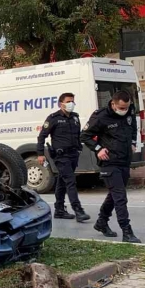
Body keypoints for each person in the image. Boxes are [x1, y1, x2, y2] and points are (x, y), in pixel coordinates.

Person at [80, 90, 141, 243]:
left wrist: (133, 142)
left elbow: (133, 128)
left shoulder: (129, 111)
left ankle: (101, 222)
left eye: (126, 107)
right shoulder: (101, 116)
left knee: (114, 195)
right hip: (109, 162)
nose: (124, 110)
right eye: (121, 107)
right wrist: (98, 149)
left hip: (124, 160)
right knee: (120, 197)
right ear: (113, 104)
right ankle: (127, 232)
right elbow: (84, 136)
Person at [36, 92, 90, 222]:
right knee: (70, 181)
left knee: (62, 182)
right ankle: (78, 210)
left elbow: (78, 135)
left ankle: (59, 209)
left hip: (73, 154)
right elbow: (42, 136)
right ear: (61, 104)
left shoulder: (75, 117)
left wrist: (79, 149)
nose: (71, 104)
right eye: (69, 101)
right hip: (61, 156)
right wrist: (40, 154)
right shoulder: (53, 118)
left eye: (73, 101)